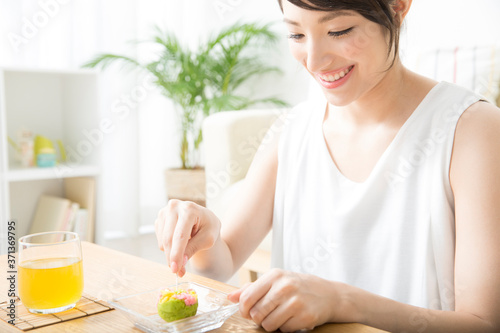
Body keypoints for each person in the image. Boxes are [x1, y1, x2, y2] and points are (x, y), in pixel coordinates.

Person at [155, 0, 500, 331]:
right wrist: (203, 233)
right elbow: (222, 263)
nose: (315, 61)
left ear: (398, 7)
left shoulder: (471, 129)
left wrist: (342, 301)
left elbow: (484, 324)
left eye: (339, 30)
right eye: (296, 35)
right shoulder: (292, 130)